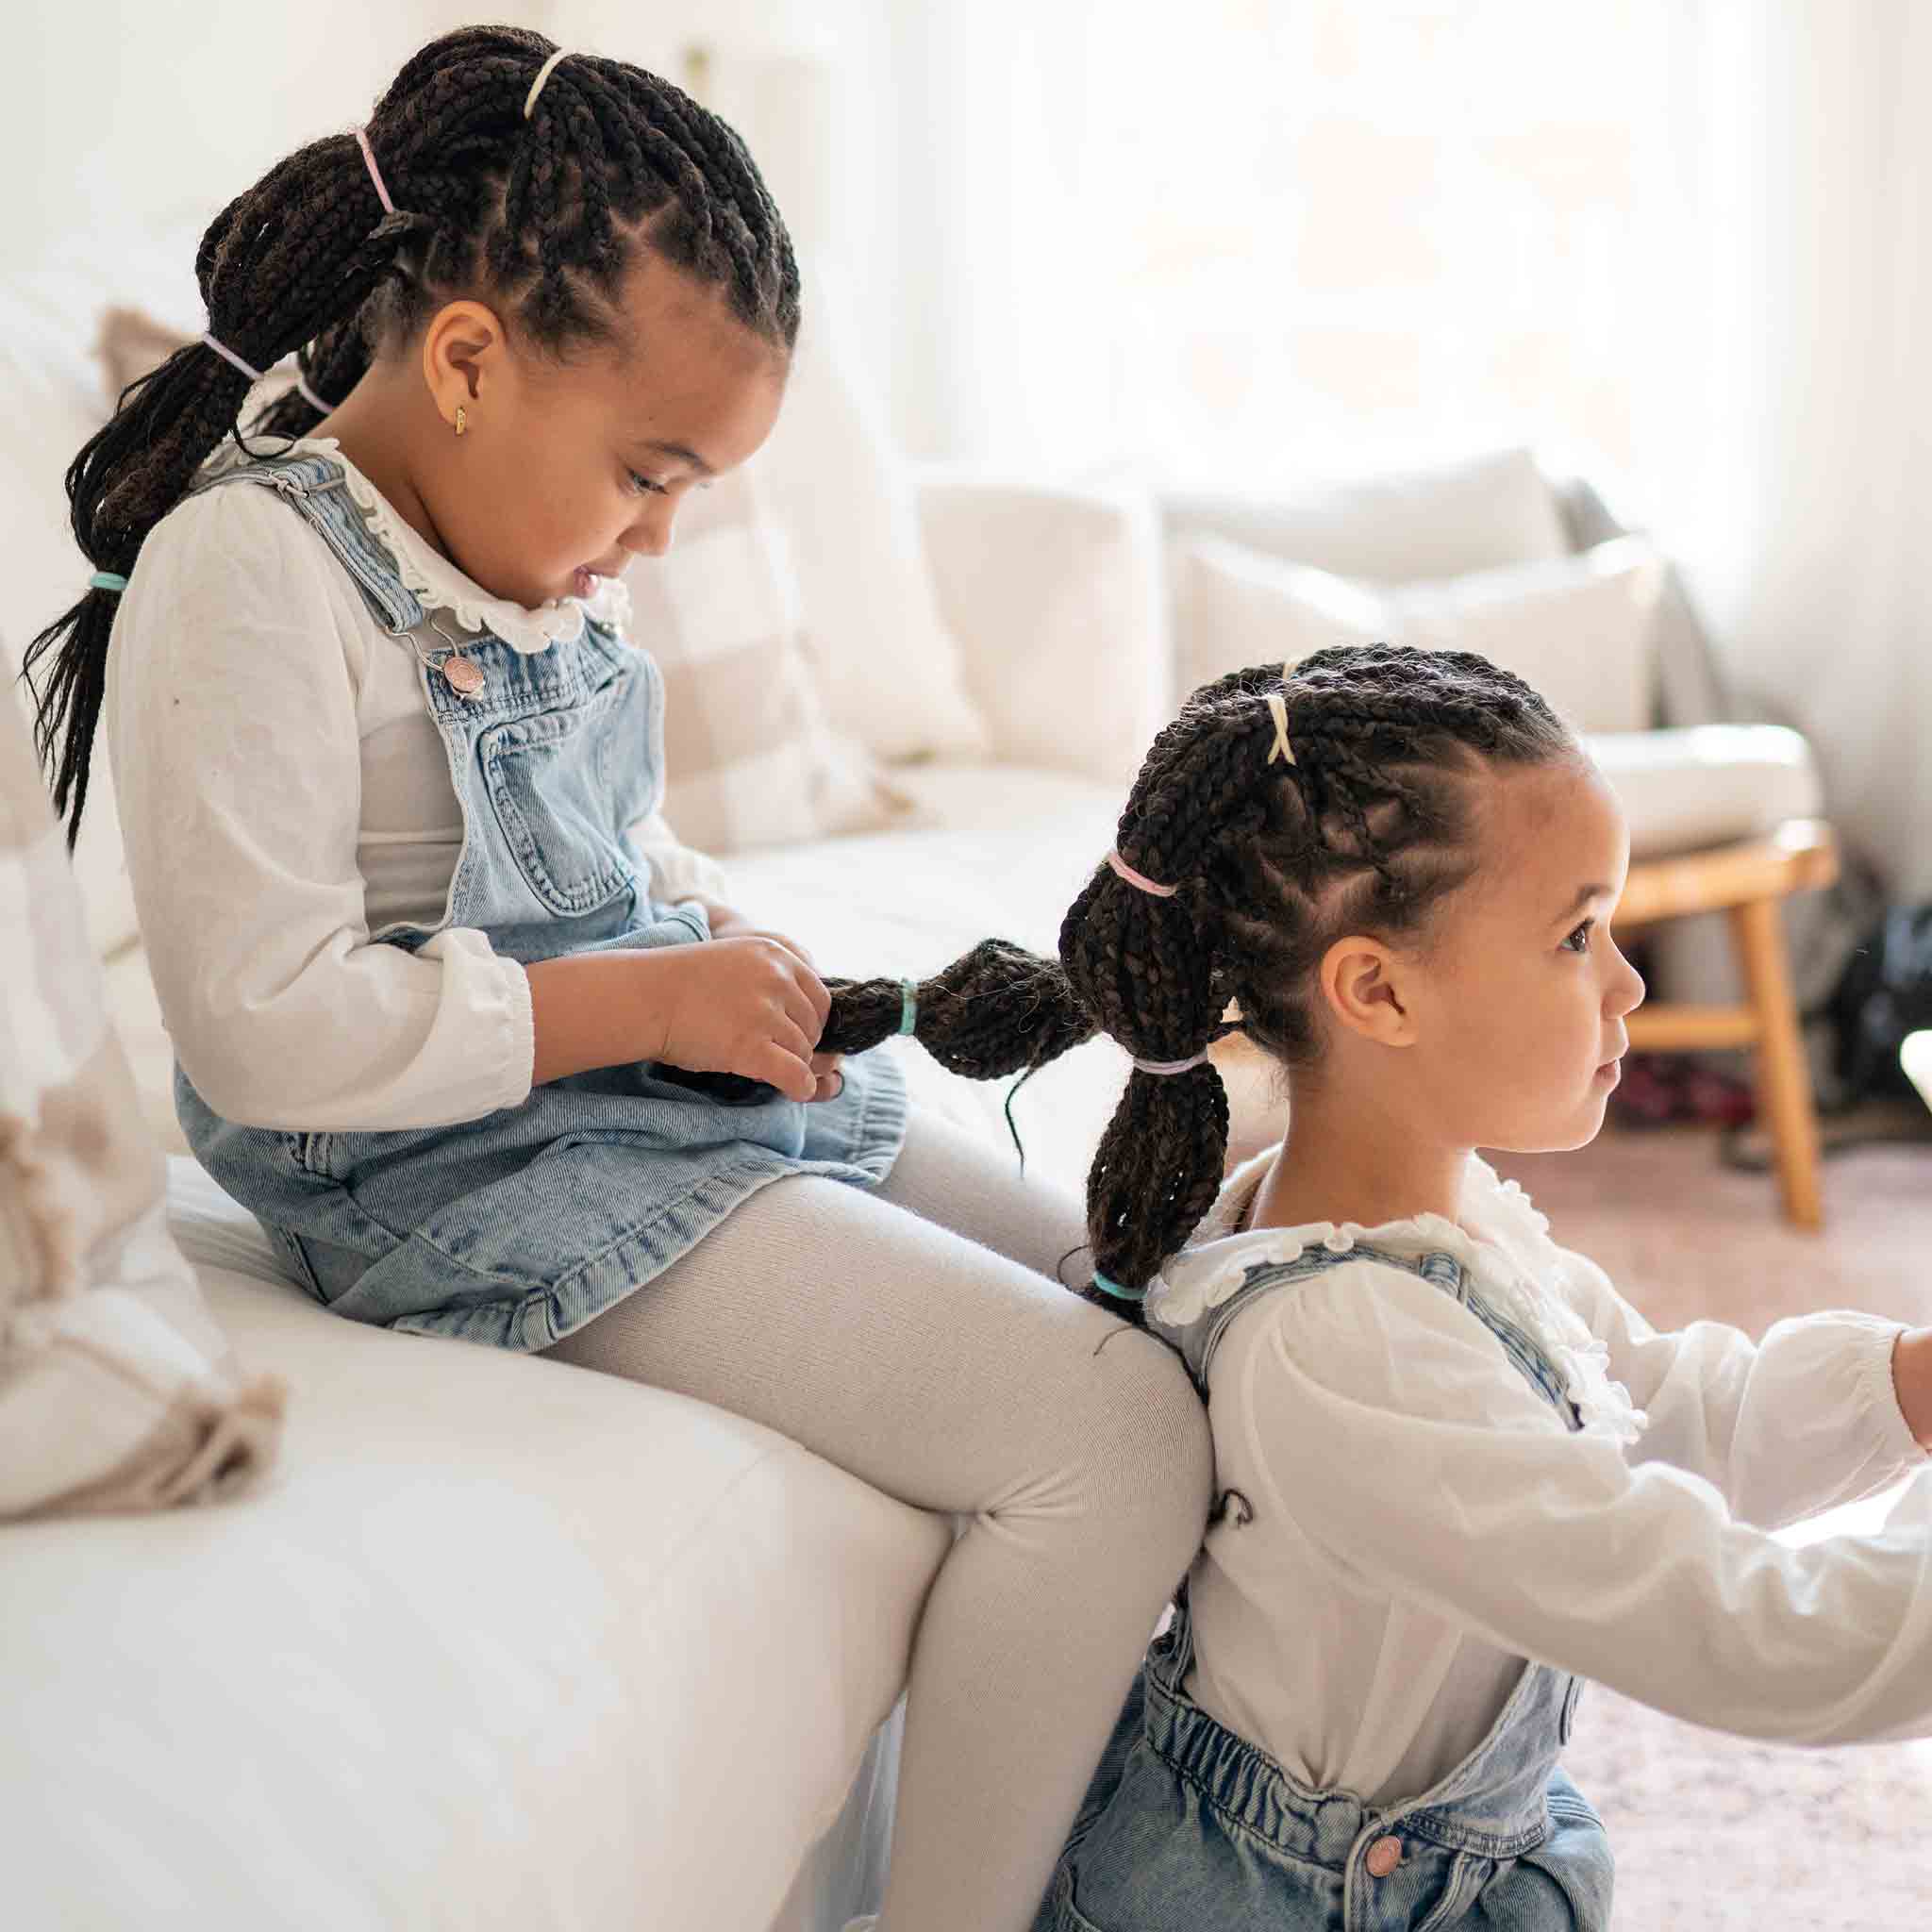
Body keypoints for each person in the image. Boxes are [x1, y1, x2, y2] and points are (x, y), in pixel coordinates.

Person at [22, 29, 1211, 1932]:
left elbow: (601, 849)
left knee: (1135, 1282)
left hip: (610, 1095)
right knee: (1109, 1430)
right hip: (434, 1176)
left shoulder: (532, 551)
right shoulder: (246, 577)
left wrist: (712, 947)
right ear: (474, 359)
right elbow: (262, 1028)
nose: (660, 535)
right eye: (652, 474)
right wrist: (641, 1012)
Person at [824, 644, 1932, 1931]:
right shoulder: (1351, 1352)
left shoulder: (1439, 1227)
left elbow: (1667, 1413)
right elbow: (1745, 1635)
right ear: (1377, 990)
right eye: (1580, 935)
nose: (1628, 983)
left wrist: (1907, 1384)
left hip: (1438, 1865)